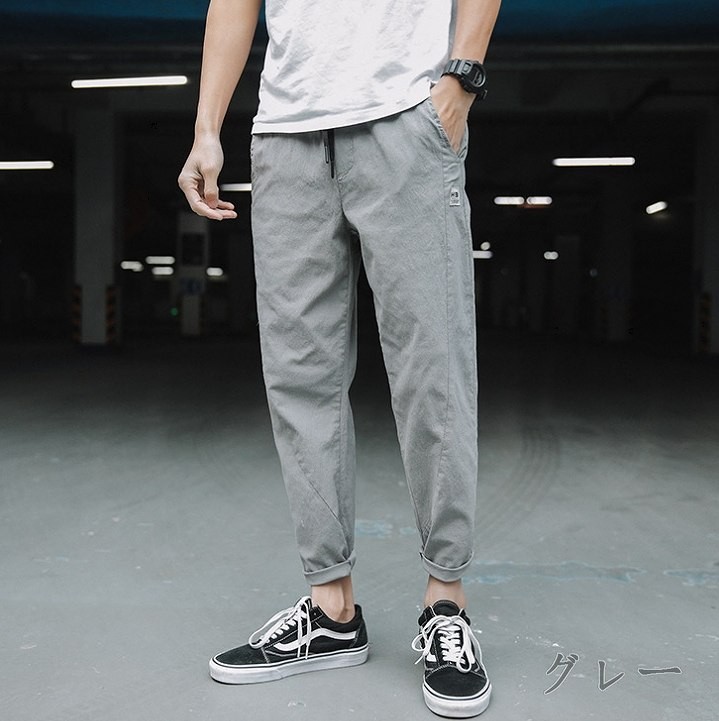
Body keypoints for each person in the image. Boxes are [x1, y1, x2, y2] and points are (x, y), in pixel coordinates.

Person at [178, 0, 502, 716]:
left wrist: (461, 80)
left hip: (406, 116)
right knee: (299, 375)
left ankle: (445, 601)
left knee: (433, 368)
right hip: (285, 134)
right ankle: (330, 609)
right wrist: (207, 129)